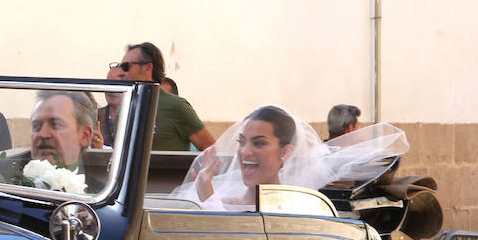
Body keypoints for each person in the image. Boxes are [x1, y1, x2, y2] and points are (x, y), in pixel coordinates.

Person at [175, 104, 406, 211]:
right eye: (242, 142)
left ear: (286, 152)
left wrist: (209, 200)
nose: (245, 152)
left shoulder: (297, 207)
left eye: (259, 143)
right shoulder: (225, 198)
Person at [106, 43, 215, 151]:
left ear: (148, 68)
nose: (120, 72)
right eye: (120, 67)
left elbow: (212, 151)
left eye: (126, 67)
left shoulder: (176, 106)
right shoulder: (123, 109)